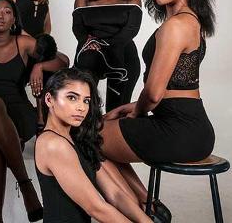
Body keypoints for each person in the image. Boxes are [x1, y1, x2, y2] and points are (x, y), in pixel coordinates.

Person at [101, 0, 216, 221]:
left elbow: (153, 94)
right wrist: (131, 108)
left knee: (87, 136)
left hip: (179, 130)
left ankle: (143, 208)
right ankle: (149, 206)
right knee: (101, 127)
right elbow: (174, 88)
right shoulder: (191, 22)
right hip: (190, 124)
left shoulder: (175, 26)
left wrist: (138, 113)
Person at [0, 0, 68, 222]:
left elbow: (63, 61)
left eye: (7, 11)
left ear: (14, 18)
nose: (0, 16)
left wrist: (39, 65)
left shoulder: (24, 43)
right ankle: (26, 186)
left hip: (19, 115)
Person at [35, 68, 152, 223]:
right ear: (49, 99)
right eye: (72, 98)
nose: (81, 107)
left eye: (86, 100)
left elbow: (115, 194)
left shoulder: (75, 138)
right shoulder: (52, 144)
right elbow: (96, 208)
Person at [73, 0, 142, 112]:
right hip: (91, 49)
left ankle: (113, 132)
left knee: (116, 109)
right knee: (83, 105)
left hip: (121, 52)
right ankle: (85, 133)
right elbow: (78, 27)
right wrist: (88, 42)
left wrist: (108, 46)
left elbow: (131, 29)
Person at [3, 0, 55, 132]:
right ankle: (38, 117)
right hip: (16, 43)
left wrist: (43, 41)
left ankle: (45, 115)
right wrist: (29, 40)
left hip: (36, 45)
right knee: (37, 57)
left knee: (58, 62)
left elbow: (47, 23)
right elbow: (6, 18)